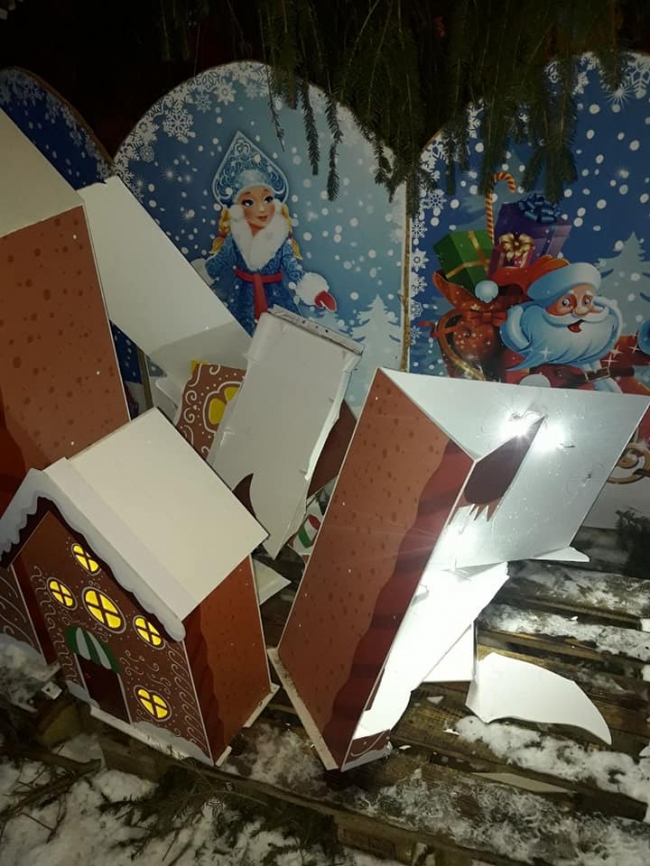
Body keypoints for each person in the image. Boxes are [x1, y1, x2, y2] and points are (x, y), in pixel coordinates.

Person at [194, 133, 336, 335]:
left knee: (281, 338)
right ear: (237, 209)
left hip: (276, 298)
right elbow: (218, 263)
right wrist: (195, 280)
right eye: (249, 202)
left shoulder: (281, 238)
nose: (261, 208)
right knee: (241, 337)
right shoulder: (235, 239)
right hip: (242, 298)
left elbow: (293, 269)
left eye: (267, 199)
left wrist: (316, 292)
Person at [499, 260, 650, 392]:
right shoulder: (530, 341)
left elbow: (622, 350)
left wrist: (640, 346)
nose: (580, 311)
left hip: (594, 388)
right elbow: (516, 369)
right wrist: (526, 383)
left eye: (586, 301)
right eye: (566, 302)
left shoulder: (592, 338)